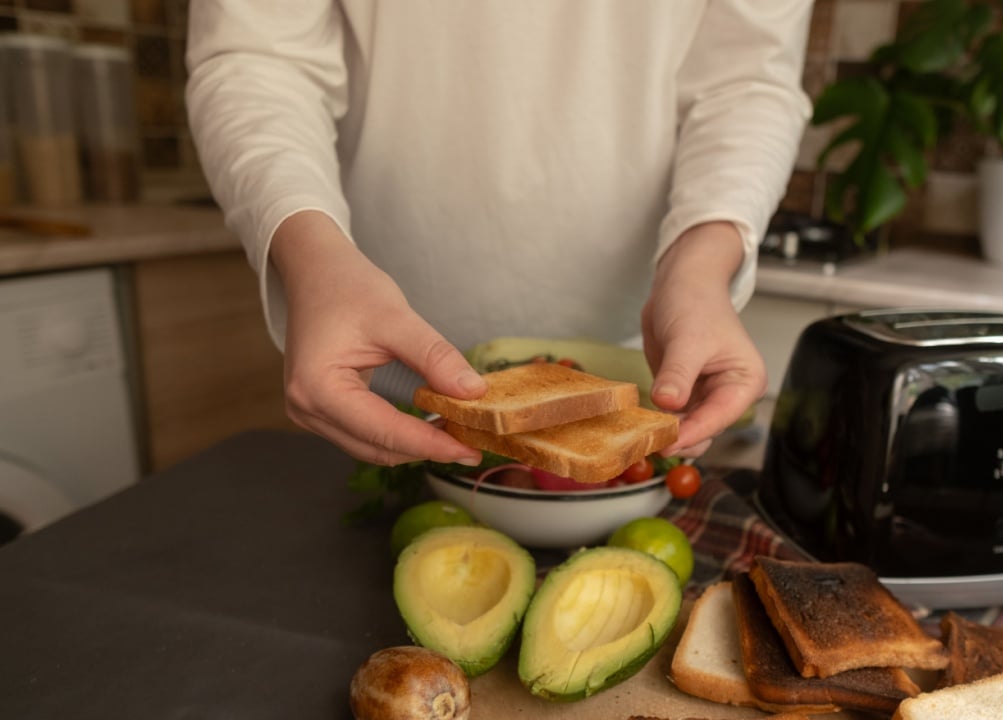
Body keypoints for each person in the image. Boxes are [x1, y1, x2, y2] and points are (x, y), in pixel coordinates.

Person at [185, 2, 813, 469]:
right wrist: (314, 260)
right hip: (373, 365)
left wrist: (700, 267)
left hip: (638, 355)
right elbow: (258, 57)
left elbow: (746, 80)